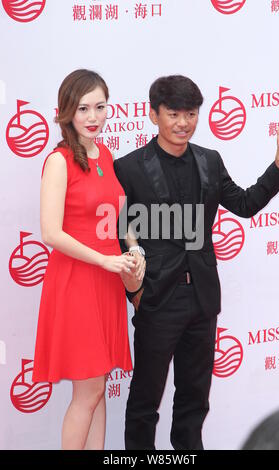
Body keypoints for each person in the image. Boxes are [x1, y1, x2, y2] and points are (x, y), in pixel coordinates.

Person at [113, 75, 279, 450]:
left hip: (202, 299)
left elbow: (244, 204)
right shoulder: (129, 168)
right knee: (145, 402)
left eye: (191, 113)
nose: (183, 122)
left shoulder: (209, 161)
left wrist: (278, 168)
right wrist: (135, 291)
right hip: (156, 300)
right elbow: (119, 233)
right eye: (174, 113)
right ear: (154, 115)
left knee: (194, 401)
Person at [32, 69, 144, 450]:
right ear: (66, 112)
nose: (93, 116)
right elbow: (51, 232)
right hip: (77, 281)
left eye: (100, 107)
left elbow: (120, 216)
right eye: (83, 108)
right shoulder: (59, 161)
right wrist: (103, 260)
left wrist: (133, 250)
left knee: (98, 388)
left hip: (107, 279)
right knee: (89, 389)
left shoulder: (106, 155)